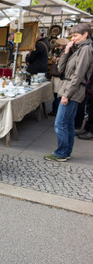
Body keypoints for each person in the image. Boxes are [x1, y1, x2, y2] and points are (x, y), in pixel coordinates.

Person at [44, 23, 93, 162]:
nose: (73, 38)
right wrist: (66, 51)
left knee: (60, 124)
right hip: (69, 88)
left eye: (76, 35)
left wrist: (67, 94)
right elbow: (61, 69)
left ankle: (61, 153)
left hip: (72, 91)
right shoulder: (77, 49)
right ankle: (66, 152)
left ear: (85, 35)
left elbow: (78, 75)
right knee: (68, 123)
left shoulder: (85, 50)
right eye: (72, 35)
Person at [48, 38, 69, 116]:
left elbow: (62, 66)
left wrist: (57, 60)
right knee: (57, 94)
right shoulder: (62, 52)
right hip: (57, 76)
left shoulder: (65, 53)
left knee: (57, 95)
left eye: (59, 46)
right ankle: (56, 110)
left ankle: (55, 110)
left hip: (59, 76)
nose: (58, 47)